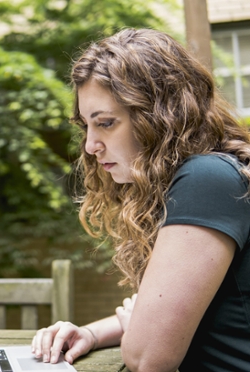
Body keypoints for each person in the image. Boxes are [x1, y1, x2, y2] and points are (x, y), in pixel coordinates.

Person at [32, 28, 250, 371]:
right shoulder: (205, 174)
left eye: (105, 123)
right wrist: (91, 332)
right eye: (86, 126)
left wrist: (139, 328)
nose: (90, 145)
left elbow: (148, 359)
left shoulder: (207, 179)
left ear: (160, 116)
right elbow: (178, 317)